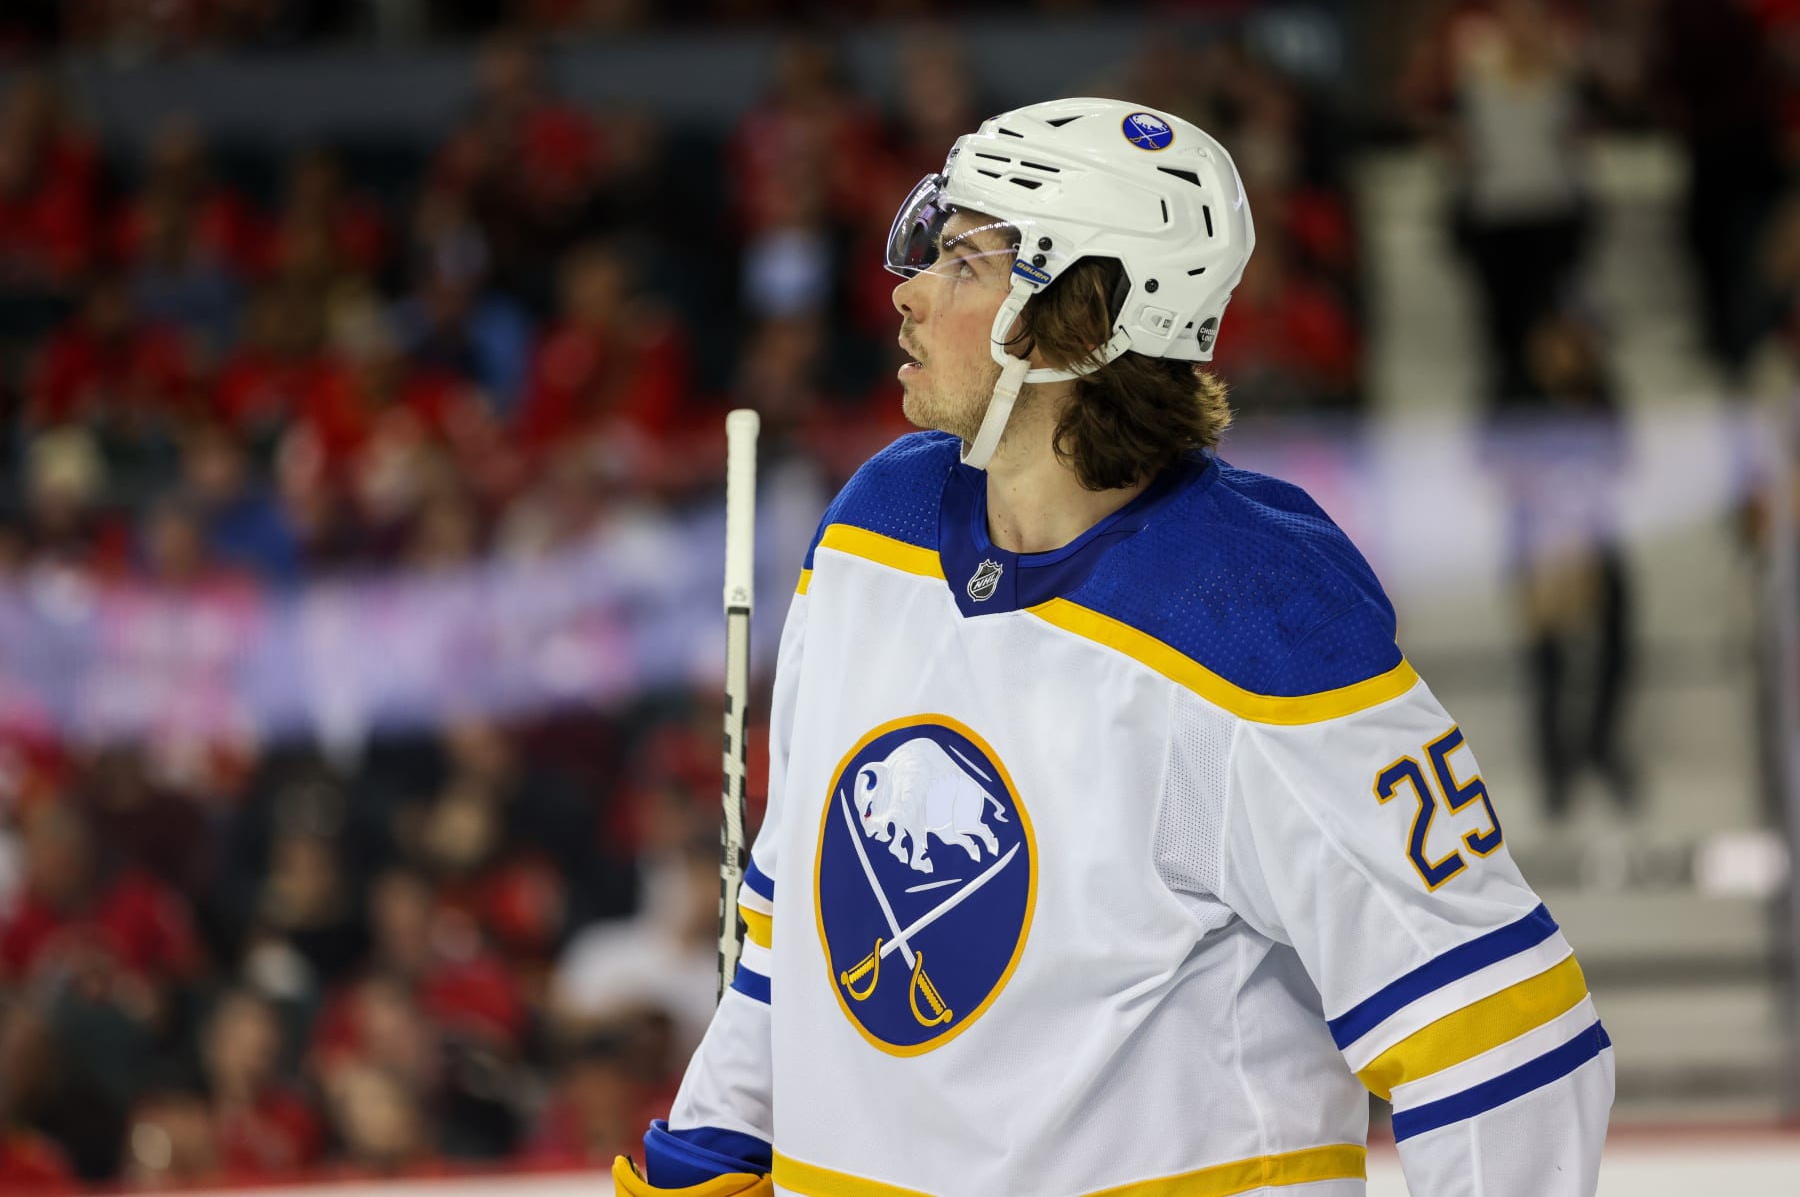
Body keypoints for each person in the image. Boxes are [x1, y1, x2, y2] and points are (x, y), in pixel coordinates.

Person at [614, 99, 1613, 1197]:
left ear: (1082, 319)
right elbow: (796, 907)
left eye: (963, 262)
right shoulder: (873, 527)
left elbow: (1499, 1030)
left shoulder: (1255, 615)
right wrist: (713, 1145)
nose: (907, 291)